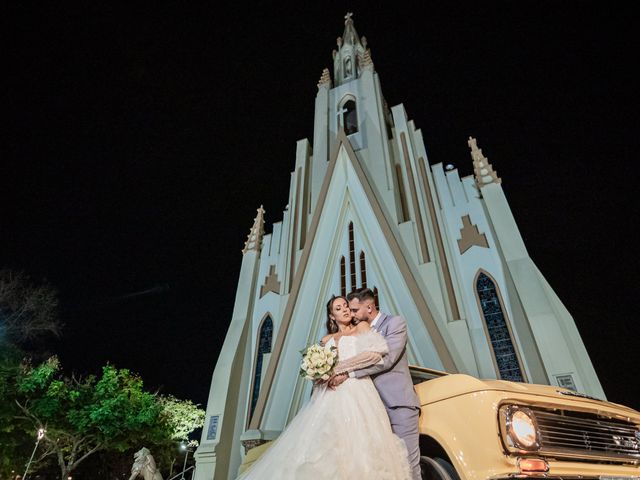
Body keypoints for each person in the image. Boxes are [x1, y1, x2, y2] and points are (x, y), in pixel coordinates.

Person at [237, 295, 411, 479]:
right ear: (331, 316)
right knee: (319, 447)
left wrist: (338, 369)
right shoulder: (325, 339)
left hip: (356, 391)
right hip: (326, 396)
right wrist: (318, 375)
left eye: (346, 306)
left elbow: (374, 355)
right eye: (338, 308)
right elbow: (316, 369)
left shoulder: (361, 327)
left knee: (358, 447)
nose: (344, 309)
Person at [330, 288, 421, 480]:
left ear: (369, 307)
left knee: (408, 466)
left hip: (398, 404)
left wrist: (348, 373)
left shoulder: (394, 323)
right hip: (370, 409)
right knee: (384, 467)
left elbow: (386, 360)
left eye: (354, 310)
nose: (351, 314)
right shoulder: (357, 332)